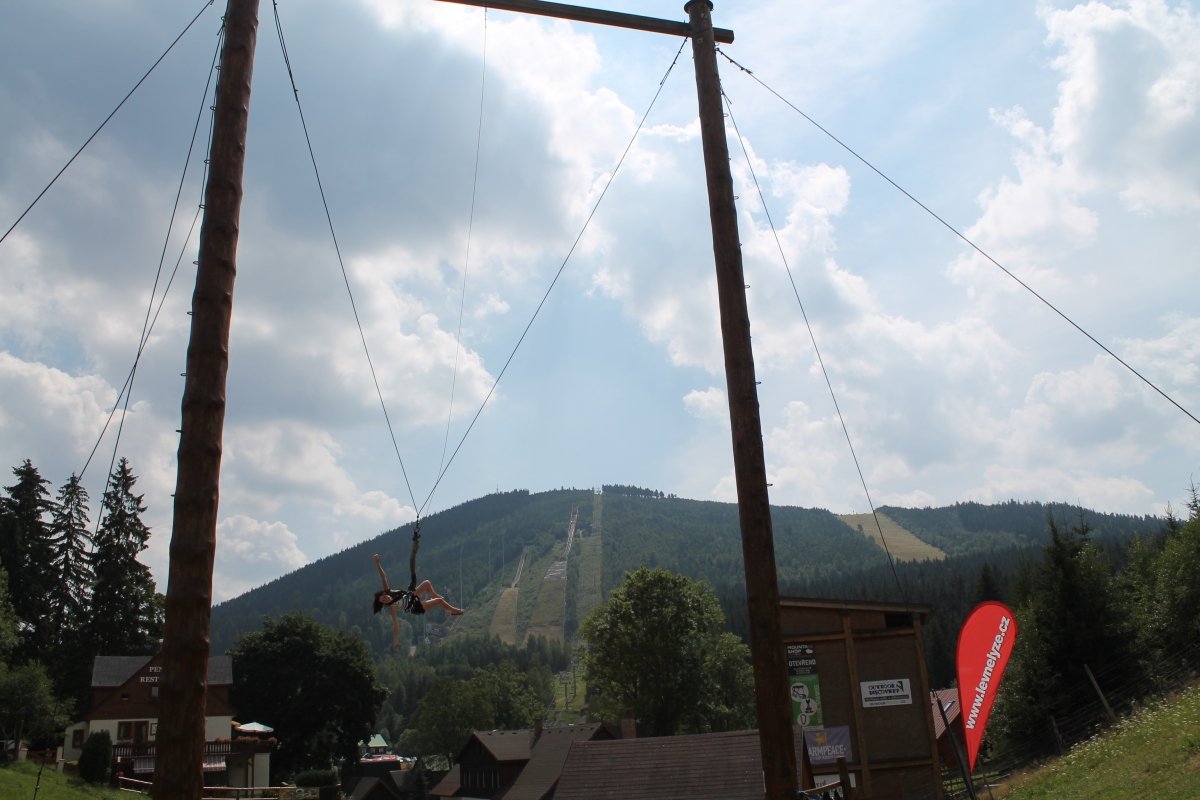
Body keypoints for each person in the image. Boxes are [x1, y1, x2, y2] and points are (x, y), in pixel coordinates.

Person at [372, 554, 462, 651]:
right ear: (385, 604)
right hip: (415, 607)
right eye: (384, 601)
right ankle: (454, 611)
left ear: (384, 594)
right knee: (439, 601)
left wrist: (377, 563)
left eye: (384, 597)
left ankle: (435, 597)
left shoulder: (388, 591)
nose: (386, 599)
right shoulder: (392, 607)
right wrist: (395, 642)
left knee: (427, 583)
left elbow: (383, 577)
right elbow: (396, 626)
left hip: (413, 595)